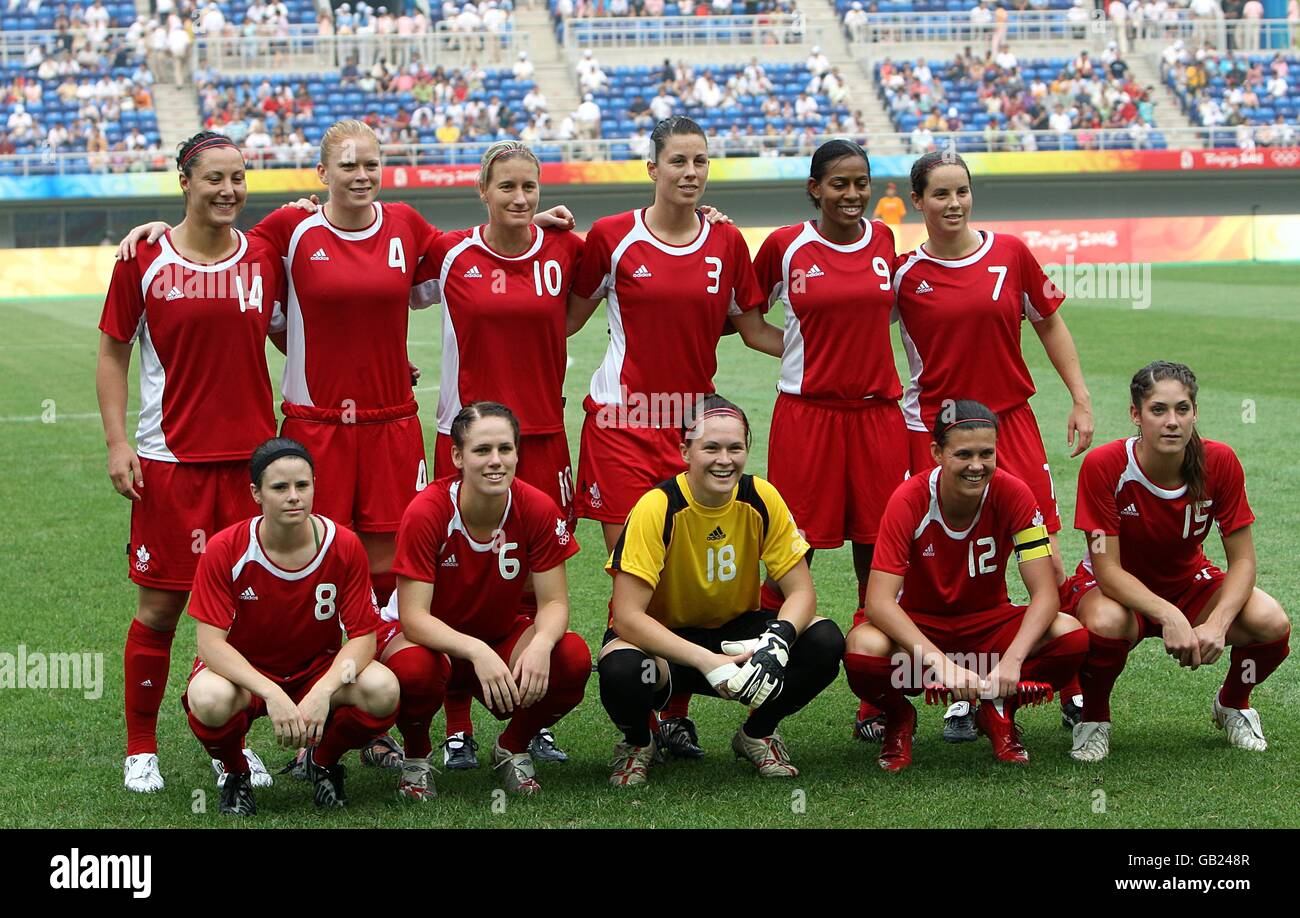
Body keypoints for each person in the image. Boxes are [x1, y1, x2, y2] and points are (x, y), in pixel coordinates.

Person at [566, 116, 776, 759]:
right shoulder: (611, 237)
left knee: (687, 571)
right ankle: (644, 719)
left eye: (701, 162)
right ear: (651, 167)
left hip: (695, 430)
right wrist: (542, 234)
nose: (690, 172)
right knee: (642, 574)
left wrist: (836, 346)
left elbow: (754, 326)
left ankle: (676, 711)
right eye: (678, 161)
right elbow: (562, 317)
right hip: (622, 425)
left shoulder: (727, 241)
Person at [97, 131, 286, 794]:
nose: (229, 190)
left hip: (253, 471)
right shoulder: (144, 257)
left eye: (239, 177)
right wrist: (119, 443)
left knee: (246, 615)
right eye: (215, 178)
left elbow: (307, 319)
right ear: (186, 182)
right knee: (159, 611)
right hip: (170, 463)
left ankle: (227, 745)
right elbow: (113, 352)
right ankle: (140, 748)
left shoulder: (266, 255)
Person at [893, 150, 1094, 732]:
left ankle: (1071, 686)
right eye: (940, 195)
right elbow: (841, 306)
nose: (953, 204)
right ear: (918, 202)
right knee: (948, 570)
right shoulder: (904, 273)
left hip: (1012, 423)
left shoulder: (1011, 253)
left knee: (1047, 557)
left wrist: (1080, 398)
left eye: (962, 192)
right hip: (936, 431)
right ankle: (962, 690)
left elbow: (1049, 320)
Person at [425, 141, 584, 770]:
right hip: (465, 442)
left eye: (530, 188)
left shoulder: (567, 251)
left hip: (543, 438)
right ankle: (457, 724)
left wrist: (711, 221)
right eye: (507, 188)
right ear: (482, 191)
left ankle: (529, 721)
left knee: (532, 582)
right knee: (456, 580)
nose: (520, 199)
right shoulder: (448, 253)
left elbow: (645, 252)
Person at [597, 395, 844, 786]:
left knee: (824, 639)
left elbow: (801, 593)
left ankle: (758, 733)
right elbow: (628, 617)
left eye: (735, 448)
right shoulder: (656, 507)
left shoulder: (761, 497)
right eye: (710, 447)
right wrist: (706, 661)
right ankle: (639, 742)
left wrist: (777, 641)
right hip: (667, 646)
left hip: (736, 636)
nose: (724, 459)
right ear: (685, 451)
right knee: (623, 668)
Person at [749, 140, 909, 743]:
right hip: (807, 417)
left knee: (881, 556)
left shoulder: (885, 243)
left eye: (860, 183)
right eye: (839, 183)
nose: (851, 194)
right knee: (792, 553)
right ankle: (761, 685)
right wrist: (795, 354)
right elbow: (743, 317)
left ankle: (876, 699)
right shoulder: (785, 245)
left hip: (877, 418)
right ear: (815, 187)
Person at [844, 401, 1089, 771]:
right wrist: (941, 665)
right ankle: (899, 718)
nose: (977, 466)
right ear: (937, 453)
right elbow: (879, 603)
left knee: (1070, 635)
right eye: (963, 454)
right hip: (920, 628)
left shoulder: (1015, 493)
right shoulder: (908, 499)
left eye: (986, 453)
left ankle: (997, 708)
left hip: (987, 627)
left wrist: (1013, 660)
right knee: (862, 648)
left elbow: (1045, 594)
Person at [1064, 362, 1290, 762]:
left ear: (1195, 413)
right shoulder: (1105, 465)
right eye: (1158, 410)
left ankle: (1233, 703)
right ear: (1136, 414)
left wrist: (1217, 624)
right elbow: (1108, 570)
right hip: (1116, 589)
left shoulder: (1219, 462)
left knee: (1270, 622)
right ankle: (1093, 718)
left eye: (1182, 409)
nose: (1172, 422)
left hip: (1189, 583)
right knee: (1105, 624)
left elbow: (1243, 562)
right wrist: (1169, 615)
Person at [376, 403, 591, 799]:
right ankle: (417, 757)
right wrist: (476, 651)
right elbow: (414, 618)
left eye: (505, 449)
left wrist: (541, 645)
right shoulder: (428, 510)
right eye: (482, 450)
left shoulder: (536, 506)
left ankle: (512, 747)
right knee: (415, 670)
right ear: (457, 456)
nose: (496, 461)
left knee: (571, 657)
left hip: (496, 635)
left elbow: (555, 603)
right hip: (425, 642)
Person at [183, 438, 399, 814]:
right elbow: (210, 645)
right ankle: (237, 774)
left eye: (303, 485)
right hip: (247, 672)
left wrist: (324, 689)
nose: (293, 497)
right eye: (280, 488)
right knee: (209, 699)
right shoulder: (226, 548)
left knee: (383, 689)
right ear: (256, 493)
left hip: (316, 666)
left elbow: (363, 636)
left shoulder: (343, 544)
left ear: (315, 484)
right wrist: (271, 692)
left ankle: (323, 762)